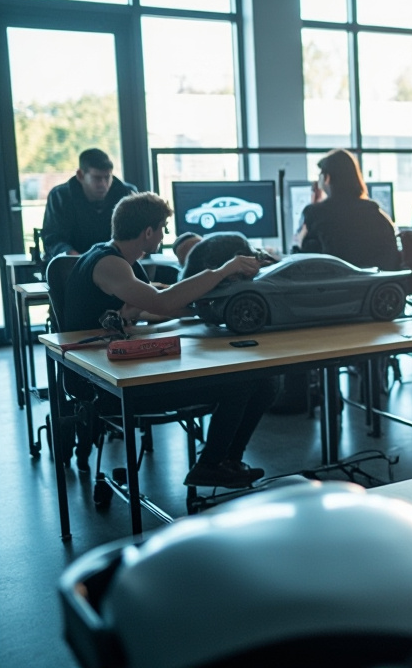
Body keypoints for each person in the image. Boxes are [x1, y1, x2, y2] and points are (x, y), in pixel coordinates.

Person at [62, 193, 276, 487]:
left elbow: (156, 307)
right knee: (239, 383)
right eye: (162, 228)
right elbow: (162, 303)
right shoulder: (109, 264)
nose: (164, 235)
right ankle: (210, 465)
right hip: (107, 386)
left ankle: (228, 462)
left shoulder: (121, 261)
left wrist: (212, 307)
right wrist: (224, 270)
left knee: (266, 382)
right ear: (148, 232)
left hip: (122, 367)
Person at [299, 149, 400, 271]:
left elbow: (305, 260)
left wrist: (313, 210)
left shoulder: (315, 214)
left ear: (327, 178)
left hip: (335, 283)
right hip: (375, 283)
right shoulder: (377, 214)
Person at [41, 148, 137, 258]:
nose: (103, 184)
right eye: (97, 178)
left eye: (107, 177)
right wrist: (76, 259)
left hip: (119, 262)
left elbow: (137, 234)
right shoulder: (60, 197)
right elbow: (53, 239)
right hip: (74, 264)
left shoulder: (126, 194)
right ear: (80, 175)